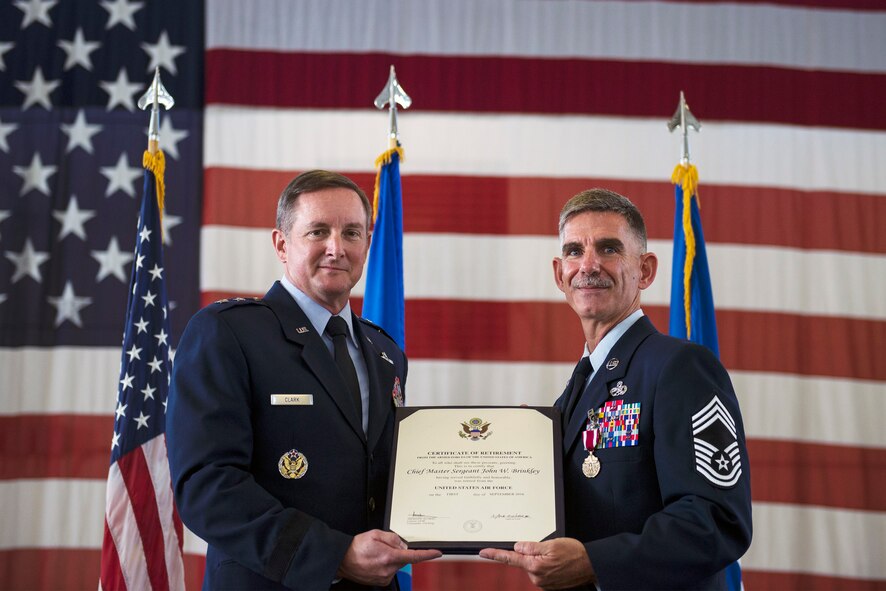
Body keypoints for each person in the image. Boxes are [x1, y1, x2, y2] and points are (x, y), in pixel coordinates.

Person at [168, 170, 440, 589]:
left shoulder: (385, 353)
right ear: (281, 243)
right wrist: (336, 556)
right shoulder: (228, 333)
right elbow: (208, 487)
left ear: (367, 243)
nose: (337, 248)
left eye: (352, 232)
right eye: (317, 231)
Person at [479, 189, 752, 590]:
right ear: (560, 274)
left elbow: (716, 520)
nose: (588, 265)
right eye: (574, 251)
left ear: (645, 270)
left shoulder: (679, 368)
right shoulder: (579, 387)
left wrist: (594, 562)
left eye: (608, 249)